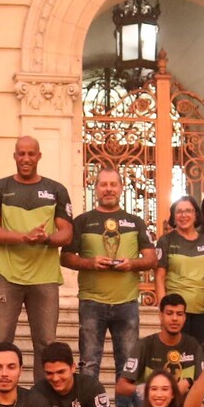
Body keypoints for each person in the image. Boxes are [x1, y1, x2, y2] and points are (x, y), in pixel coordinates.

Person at [0, 137, 71, 355]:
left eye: (31, 154)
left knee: (47, 344)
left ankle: (43, 391)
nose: (26, 158)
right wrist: (23, 237)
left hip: (45, 276)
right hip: (7, 274)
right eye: (21, 154)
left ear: (39, 156)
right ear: (14, 156)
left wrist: (46, 239)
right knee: (0, 342)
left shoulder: (57, 189)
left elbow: (67, 233)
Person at [67, 163, 155, 383]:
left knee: (127, 366)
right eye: (103, 184)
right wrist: (90, 262)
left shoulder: (135, 222)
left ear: (121, 187)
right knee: (88, 364)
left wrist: (131, 264)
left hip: (127, 303)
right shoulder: (83, 221)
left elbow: (152, 259)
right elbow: (65, 257)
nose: (108, 189)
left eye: (113, 184)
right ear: (95, 188)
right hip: (91, 302)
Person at [153, 195, 204, 343]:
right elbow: (159, 278)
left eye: (188, 211)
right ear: (174, 216)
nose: (184, 215)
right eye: (179, 211)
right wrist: (164, 311)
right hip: (176, 313)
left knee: (203, 358)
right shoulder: (165, 241)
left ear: (196, 214)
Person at [117, 294, 204, 407]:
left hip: (183, 405)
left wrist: (189, 383)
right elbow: (121, 387)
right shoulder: (144, 345)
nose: (174, 318)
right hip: (152, 405)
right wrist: (146, 388)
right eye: (169, 313)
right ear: (160, 316)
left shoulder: (193, 345)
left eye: (179, 314)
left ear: (184, 318)